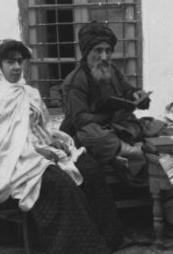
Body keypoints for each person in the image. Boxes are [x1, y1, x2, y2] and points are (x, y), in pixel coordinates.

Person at [0, 39, 124, 254]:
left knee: (89, 168)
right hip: (12, 159)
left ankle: (108, 239)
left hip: (39, 149)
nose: (17, 67)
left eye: (20, 61)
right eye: (10, 62)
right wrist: (35, 150)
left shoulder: (27, 92)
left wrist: (52, 140)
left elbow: (41, 127)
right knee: (59, 183)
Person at [60, 21, 167, 187]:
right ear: (86, 52)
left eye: (108, 51)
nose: (104, 57)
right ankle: (133, 152)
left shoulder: (112, 69)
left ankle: (123, 150)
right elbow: (79, 120)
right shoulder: (75, 80)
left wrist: (137, 95)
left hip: (118, 126)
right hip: (94, 131)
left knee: (158, 126)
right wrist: (108, 115)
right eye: (98, 50)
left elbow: (127, 90)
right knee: (91, 135)